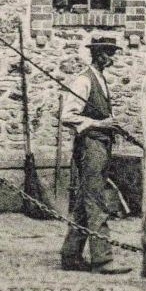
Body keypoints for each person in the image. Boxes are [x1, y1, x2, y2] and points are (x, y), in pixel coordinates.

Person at [59, 37, 131, 274]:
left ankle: (70, 256)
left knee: (84, 200)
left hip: (101, 145)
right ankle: (103, 260)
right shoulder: (83, 80)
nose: (112, 58)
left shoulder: (100, 79)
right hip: (90, 145)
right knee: (96, 200)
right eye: (108, 53)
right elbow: (68, 115)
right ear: (98, 54)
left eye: (113, 53)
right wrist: (100, 123)